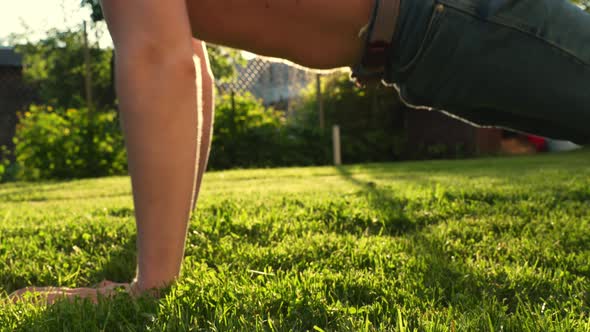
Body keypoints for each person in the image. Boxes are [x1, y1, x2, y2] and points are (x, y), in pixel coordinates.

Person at [10, 0, 590, 304]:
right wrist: (157, 271)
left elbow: (158, 58)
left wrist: (152, 283)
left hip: (449, 14)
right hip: (424, 44)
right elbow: (186, 62)